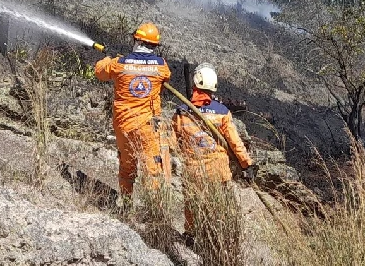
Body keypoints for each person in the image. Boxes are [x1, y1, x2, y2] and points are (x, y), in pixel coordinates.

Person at [172, 63, 254, 233]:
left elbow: (173, 141)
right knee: (218, 209)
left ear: (195, 83)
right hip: (219, 171)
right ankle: (216, 237)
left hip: (193, 171)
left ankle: (191, 235)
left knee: (192, 205)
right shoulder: (222, 111)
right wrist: (247, 164)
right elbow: (235, 142)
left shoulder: (181, 112)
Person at [94, 22, 172, 197]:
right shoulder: (161, 65)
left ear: (137, 40)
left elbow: (99, 72)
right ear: (154, 45)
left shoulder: (119, 63)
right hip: (148, 126)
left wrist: (107, 59)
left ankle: (126, 202)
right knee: (152, 168)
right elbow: (165, 78)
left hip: (124, 125)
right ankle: (154, 210)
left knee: (127, 165)